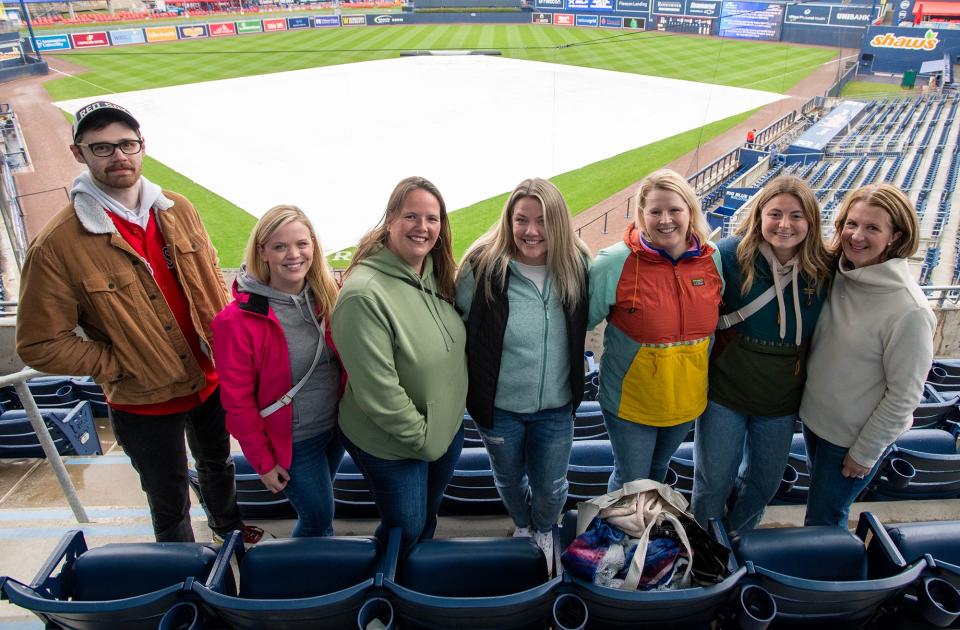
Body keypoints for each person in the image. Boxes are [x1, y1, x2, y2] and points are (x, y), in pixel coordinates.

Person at [16, 101, 256, 543]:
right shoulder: (57, 244)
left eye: (127, 144)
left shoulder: (178, 208)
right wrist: (120, 362)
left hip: (209, 382)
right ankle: (184, 571)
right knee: (167, 498)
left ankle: (228, 528)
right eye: (102, 148)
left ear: (142, 146)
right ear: (78, 153)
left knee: (218, 466)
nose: (118, 156)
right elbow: (38, 343)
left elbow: (209, 279)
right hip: (143, 400)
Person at [456, 178, 590, 565]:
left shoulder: (577, 266)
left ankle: (545, 528)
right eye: (521, 220)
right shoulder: (480, 268)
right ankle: (522, 523)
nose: (531, 231)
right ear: (508, 221)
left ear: (559, 223)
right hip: (500, 410)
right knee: (510, 480)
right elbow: (454, 326)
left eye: (543, 220)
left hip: (556, 407)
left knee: (551, 488)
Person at [332, 176, 467, 552]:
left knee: (426, 517)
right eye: (411, 216)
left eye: (432, 218)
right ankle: (386, 592)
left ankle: (413, 581)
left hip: (444, 432)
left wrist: (444, 430)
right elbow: (379, 392)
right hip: (395, 442)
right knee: (405, 529)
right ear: (390, 218)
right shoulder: (363, 294)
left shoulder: (435, 274)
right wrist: (425, 440)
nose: (422, 227)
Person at [691, 176, 831, 531]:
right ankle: (705, 547)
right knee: (713, 483)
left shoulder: (824, 270)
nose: (785, 225)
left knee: (765, 483)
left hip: (781, 401)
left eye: (796, 216)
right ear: (759, 216)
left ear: (810, 222)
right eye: (775, 214)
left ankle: (738, 538)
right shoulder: (728, 255)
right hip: (724, 394)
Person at [800, 183, 935, 528]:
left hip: (850, 442)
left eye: (872, 228)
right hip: (815, 425)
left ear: (895, 236)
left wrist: (865, 452)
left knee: (823, 523)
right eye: (851, 223)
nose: (856, 236)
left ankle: (822, 581)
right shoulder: (842, 272)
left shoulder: (910, 310)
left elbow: (905, 396)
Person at [212, 205, 344, 538]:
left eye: (302, 244)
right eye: (280, 246)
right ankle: (308, 583)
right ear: (263, 252)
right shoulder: (234, 322)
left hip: (336, 431)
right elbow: (237, 403)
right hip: (295, 443)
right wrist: (263, 462)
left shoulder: (329, 297)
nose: (294, 255)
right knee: (318, 517)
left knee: (321, 511)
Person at [588, 169, 723, 491]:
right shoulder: (613, 263)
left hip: (686, 402)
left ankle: (647, 535)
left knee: (659, 471)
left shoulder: (712, 260)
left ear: (690, 211)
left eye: (675, 209)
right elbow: (581, 321)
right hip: (630, 403)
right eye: (655, 211)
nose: (666, 220)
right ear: (641, 215)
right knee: (631, 481)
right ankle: (620, 539)